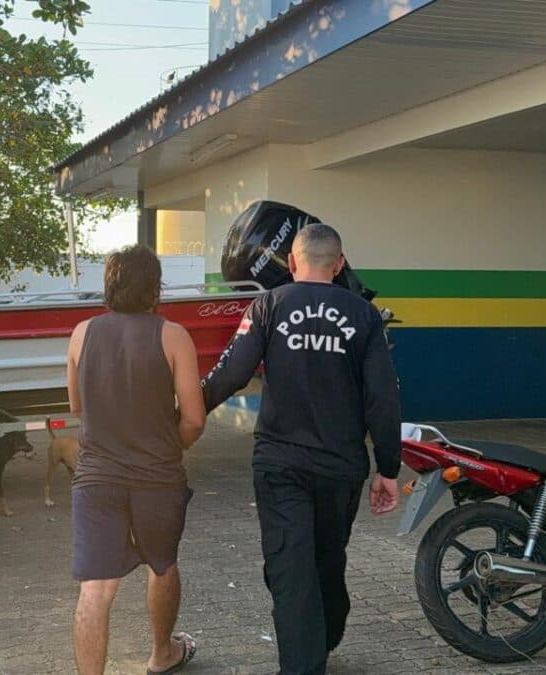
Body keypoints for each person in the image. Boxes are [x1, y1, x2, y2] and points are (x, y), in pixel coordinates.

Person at [201, 223, 401, 675]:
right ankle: (320, 641)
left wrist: (183, 414)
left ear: (291, 262)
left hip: (280, 463)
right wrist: (388, 468)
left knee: (291, 565)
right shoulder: (365, 316)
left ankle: (312, 650)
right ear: (340, 263)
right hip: (341, 467)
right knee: (325, 558)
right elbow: (383, 397)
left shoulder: (268, 304)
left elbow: (230, 374)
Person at [67, 244, 207, 675]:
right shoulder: (173, 336)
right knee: (162, 565)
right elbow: (195, 418)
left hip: (95, 479)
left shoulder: (81, 333)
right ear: (155, 288)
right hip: (157, 478)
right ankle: (162, 654)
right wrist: (175, 443)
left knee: (95, 589)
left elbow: (76, 406)